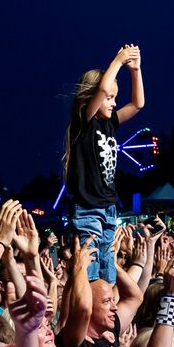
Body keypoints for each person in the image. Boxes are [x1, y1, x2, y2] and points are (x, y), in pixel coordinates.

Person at [62, 46, 144, 286]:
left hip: (108, 208)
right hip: (88, 210)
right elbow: (102, 88)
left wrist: (135, 71)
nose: (113, 102)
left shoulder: (110, 124)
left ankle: (103, 314)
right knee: (90, 273)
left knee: (108, 271)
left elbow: (138, 104)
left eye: (115, 98)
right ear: (93, 98)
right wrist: (117, 61)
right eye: (109, 98)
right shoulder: (83, 123)